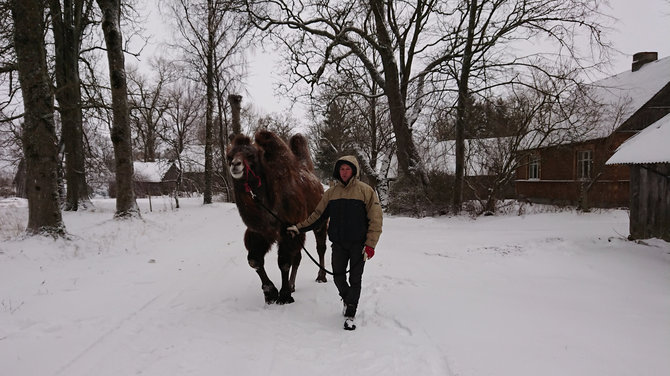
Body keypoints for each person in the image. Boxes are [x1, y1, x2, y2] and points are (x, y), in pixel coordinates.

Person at [287, 155, 383, 331]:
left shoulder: (366, 191)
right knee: (338, 277)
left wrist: (370, 245)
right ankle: (348, 299)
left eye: (347, 169)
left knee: (355, 279)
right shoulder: (331, 193)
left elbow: (375, 220)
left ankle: (350, 313)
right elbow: (317, 216)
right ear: (338, 171)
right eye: (341, 169)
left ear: (354, 170)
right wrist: (299, 228)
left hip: (358, 245)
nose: (344, 172)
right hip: (338, 244)